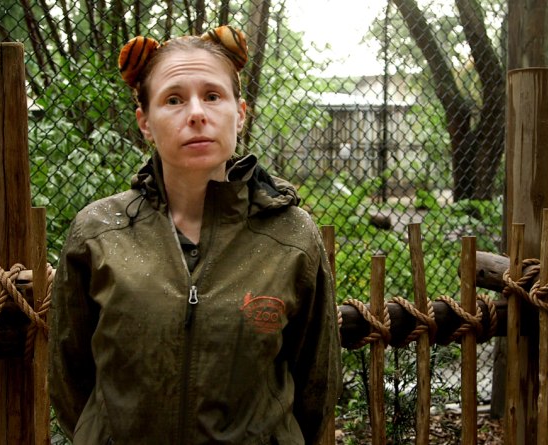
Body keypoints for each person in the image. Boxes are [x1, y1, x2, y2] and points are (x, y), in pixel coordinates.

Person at [48, 25, 341, 445]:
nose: (196, 113)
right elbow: (70, 376)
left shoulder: (292, 236)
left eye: (212, 95)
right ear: (145, 122)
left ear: (240, 114)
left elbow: (316, 383)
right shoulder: (98, 231)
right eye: (173, 99)